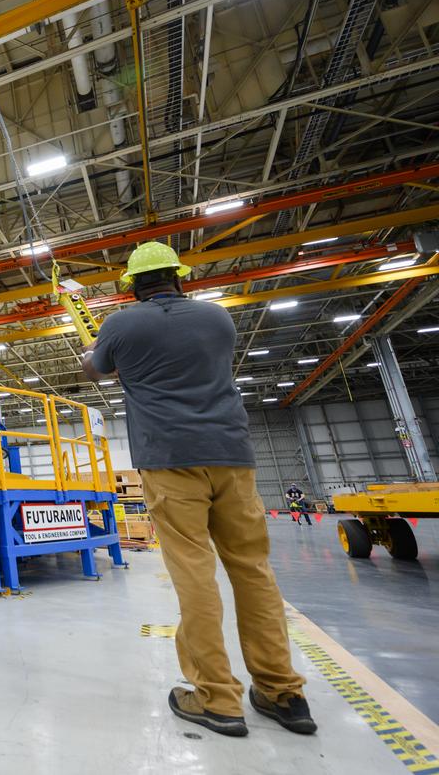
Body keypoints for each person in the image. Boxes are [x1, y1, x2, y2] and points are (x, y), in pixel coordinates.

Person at [81, 242, 316, 738]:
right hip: (232, 456)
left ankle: (217, 700)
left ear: (132, 286)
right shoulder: (217, 319)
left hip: (169, 461)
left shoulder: (121, 325)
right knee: (254, 572)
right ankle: (283, 693)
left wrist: (96, 348)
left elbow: (95, 370)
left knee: (195, 576)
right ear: (179, 276)